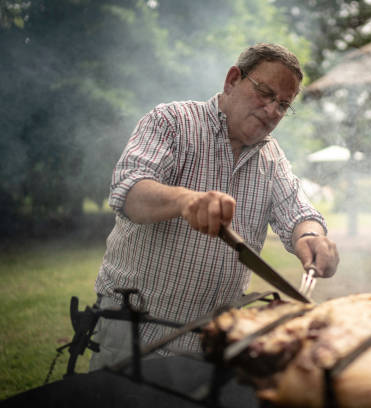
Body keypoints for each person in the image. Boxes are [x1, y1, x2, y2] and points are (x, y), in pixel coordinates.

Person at [89, 43, 340, 370]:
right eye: (265, 93)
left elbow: (299, 213)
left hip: (215, 335)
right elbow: (130, 190)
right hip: (137, 326)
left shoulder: (271, 156)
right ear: (233, 80)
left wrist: (312, 237)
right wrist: (185, 200)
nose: (271, 110)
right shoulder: (172, 121)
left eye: (283, 104)